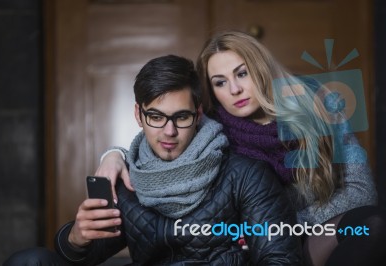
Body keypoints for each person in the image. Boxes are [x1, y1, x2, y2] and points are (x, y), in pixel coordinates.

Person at [98, 31, 386, 266]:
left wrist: (277, 224)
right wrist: (114, 154)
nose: (234, 90)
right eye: (220, 82)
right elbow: (163, 137)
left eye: (242, 73)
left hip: (298, 233)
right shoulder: (211, 129)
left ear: (260, 68)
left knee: (372, 224)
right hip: (252, 251)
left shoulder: (321, 103)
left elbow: (361, 191)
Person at [4, 54, 302, 265]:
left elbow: (280, 258)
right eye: (156, 117)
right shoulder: (126, 178)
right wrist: (76, 238)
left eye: (181, 117)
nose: (169, 131)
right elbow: (79, 257)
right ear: (138, 115)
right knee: (29, 261)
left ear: (198, 114)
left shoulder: (245, 175)